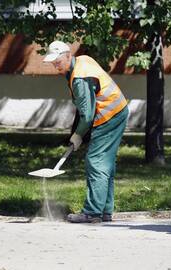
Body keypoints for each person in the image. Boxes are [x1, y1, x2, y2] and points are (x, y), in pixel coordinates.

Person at [43, 41, 129, 223]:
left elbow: (88, 115)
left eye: (58, 62)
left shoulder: (79, 79)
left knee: (96, 161)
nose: (56, 67)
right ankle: (104, 210)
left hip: (109, 115)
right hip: (118, 109)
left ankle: (92, 212)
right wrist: (76, 133)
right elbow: (84, 108)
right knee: (105, 163)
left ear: (67, 55)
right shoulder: (81, 60)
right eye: (53, 63)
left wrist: (78, 134)